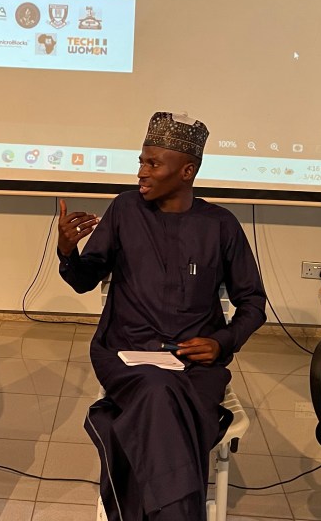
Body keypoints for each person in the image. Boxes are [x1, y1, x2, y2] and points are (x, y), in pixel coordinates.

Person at [58, 111, 267, 520]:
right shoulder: (124, 211)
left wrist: (221, 342)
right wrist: (68, 251)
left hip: (194, 366)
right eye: (141, 161)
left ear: (187, 171)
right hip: (125, 354)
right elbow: (84, 280)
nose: (141, 172)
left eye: (153, 164)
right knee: (157, 389)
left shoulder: (220, 225)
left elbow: (253, 302)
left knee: (159, 399)